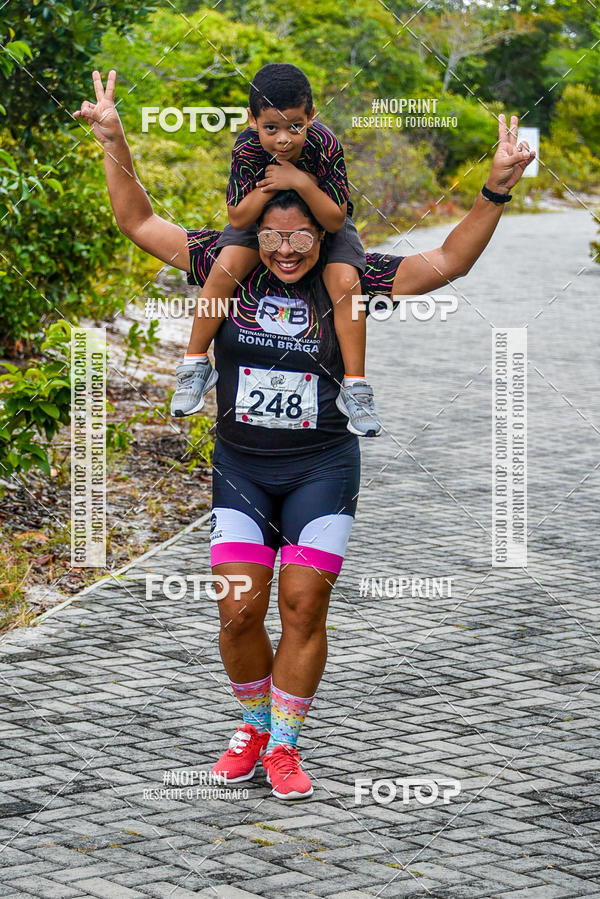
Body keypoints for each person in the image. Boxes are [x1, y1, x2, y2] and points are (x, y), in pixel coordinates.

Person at [73, 70, 534, 799]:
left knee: (302, 606)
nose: (287, 253)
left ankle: (284, 745)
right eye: (273, 240)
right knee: (238, 612)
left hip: (323, 469)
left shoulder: (347, 276)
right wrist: (113, 138)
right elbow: (139, 221)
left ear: (325, 234)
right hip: (242, 470)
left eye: (302, 240)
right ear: (253, 234)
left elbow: (446, 262)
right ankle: (252, 725)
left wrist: (495, 189)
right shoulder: (227, 266)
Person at [170, 62, 384, 438]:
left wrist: (300, 182)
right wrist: (273, 185)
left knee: (345, 281)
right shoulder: (247, 147)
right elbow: (238, 217)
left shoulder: (325, 143)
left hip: (320, 218)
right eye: (271, 128)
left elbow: (335, 219)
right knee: (226, 266)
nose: (283, 139)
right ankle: (195, 364)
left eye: (295, 127)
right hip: (263, 219)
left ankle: (355, 386)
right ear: (253, 120)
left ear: (311, 116)